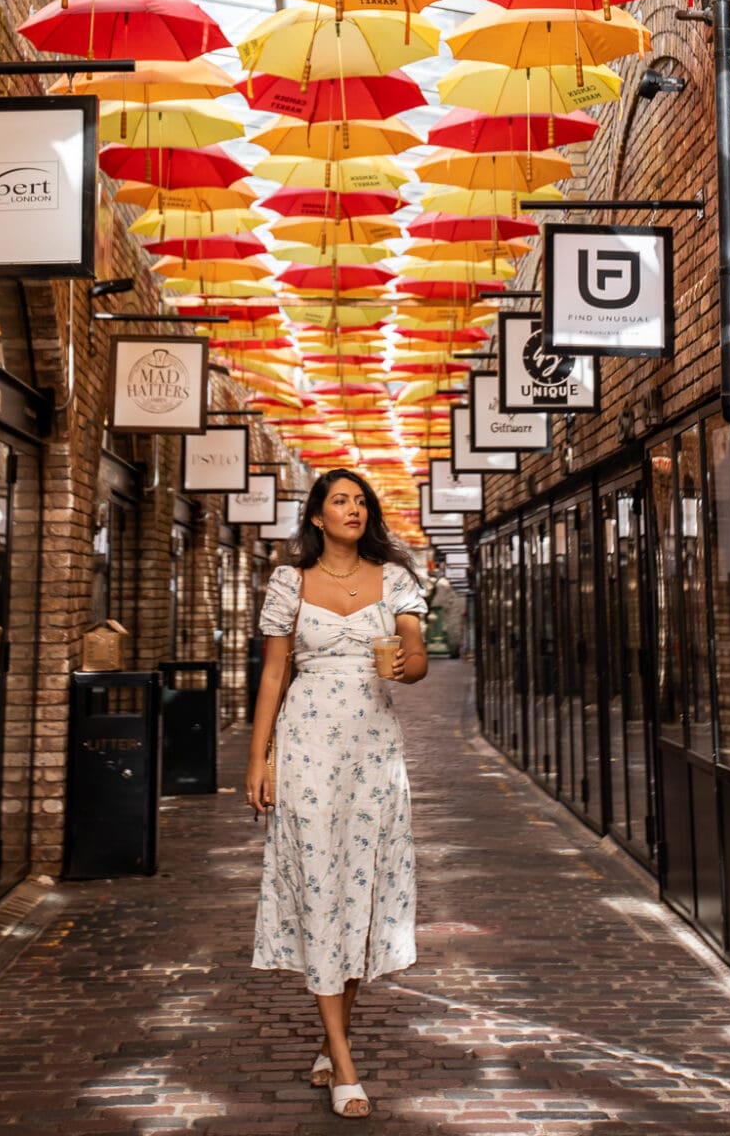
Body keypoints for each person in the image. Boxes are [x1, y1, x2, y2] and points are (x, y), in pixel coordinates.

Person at [245, 469, 428, 1120]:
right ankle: (344, 1066)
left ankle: (332, 1040)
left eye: (360, 500)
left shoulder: (395, 578)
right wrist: (258, 757)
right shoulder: (287, 584)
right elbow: (272, 674)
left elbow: (415, 654)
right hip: (305, 749)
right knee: (321, 887)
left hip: (373, 751)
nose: (353, 508)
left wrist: (409, 658)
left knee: (361, 891)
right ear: (316, 518)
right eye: (339, 500)